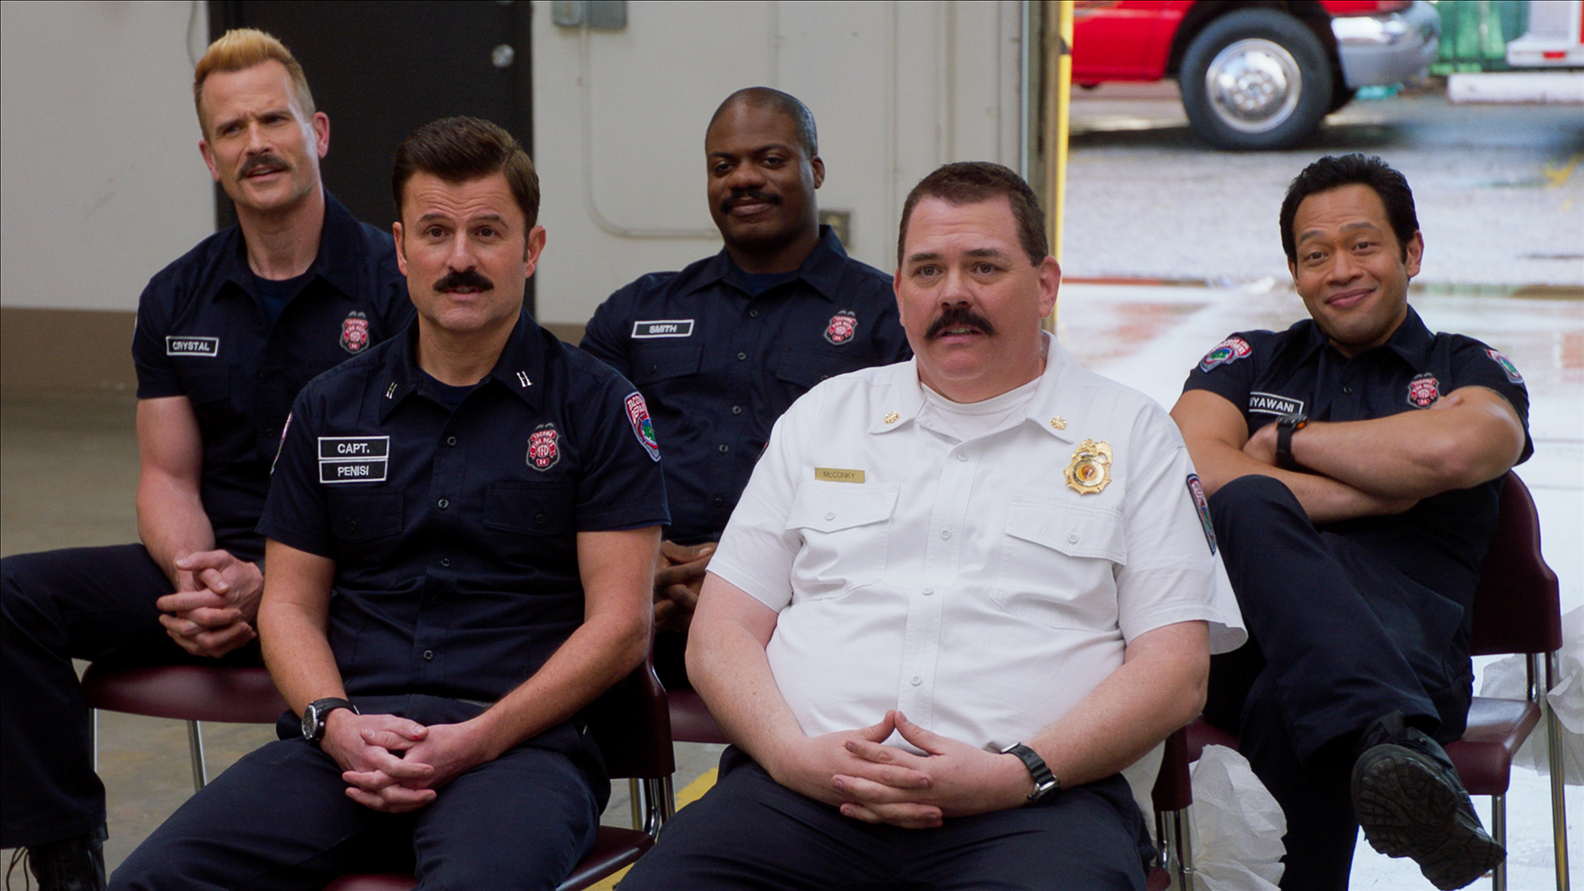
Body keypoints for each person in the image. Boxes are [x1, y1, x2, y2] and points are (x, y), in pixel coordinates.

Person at [617, 161, 1245, 891]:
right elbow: (720, 632)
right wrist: (789, 755)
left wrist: (1019, 772)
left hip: (1037, 808)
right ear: (898, 291)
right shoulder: (825, 417)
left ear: (1045, 283)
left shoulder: (1133, 435)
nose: (953, 294)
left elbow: (1176, 673)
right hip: (797, 795)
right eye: (927, 270)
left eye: (984, 266)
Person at [109, 115, 668, 890]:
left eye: (487, 233)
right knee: (151, 880)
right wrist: (334, 722)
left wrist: (474, 739)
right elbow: (288, 606)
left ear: (531, 250)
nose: (460, 259)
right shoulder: (329, 406)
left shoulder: (599, 405)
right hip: (343, 741)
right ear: (401, 248)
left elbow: (620, 628)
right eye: (436, 233)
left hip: (516, 748)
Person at [1, 29, 411, 891]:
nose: (255, 143)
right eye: (232, 129)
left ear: (319, 131)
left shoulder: (395, 284)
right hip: (217, 579)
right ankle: (68, 860)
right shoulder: (175, 295)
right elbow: (167, 476)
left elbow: (417, 484)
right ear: (208, 154)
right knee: (14, 598)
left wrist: (275, 584)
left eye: (274, 118)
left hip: (354, 582)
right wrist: (196, 576)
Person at [1169, 154, 1529, 891]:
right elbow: (1191, 470)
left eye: (1363, 244)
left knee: (1291, 700)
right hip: (1253, 645)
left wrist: (1290, 445)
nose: (1340, 270)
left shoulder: (1466, 367)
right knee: (1242, 503)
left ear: (1411, 252)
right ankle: (1394, 742)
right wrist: (1378, 492)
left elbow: (1462, 445)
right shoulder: (1248, 361)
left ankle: (1385, 735)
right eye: (1315, 254)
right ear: (1295, 273)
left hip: (1410, 653)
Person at [579, 88, 910, 678]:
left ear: (815, 170)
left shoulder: (891, 315)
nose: (744, 179)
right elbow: (580, 462)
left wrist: (745, 581)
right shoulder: (635, 311)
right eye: (723, 166)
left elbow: (912, 482)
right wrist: (640, 561)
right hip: (640, 602)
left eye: (771, 160)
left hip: (817, 615)